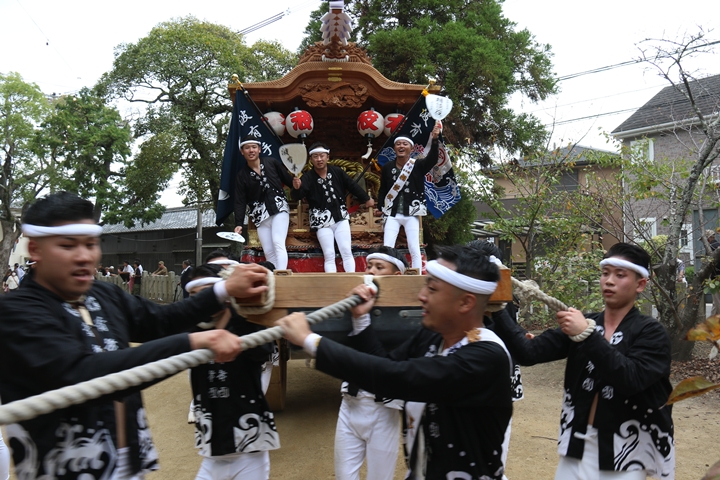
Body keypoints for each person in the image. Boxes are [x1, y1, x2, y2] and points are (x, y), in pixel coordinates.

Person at [0, 191, 270, 480]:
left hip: (129, 464)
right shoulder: (16, 312)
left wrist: (224, 289)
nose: (84, 256)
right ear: (35, 249)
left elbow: (162, 320)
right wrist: (190, 343)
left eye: (91, 244)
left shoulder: (103, 295)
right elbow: (82, 373)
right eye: (67, 245)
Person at [278, 244, 514, 479]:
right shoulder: (432, 338)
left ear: (465, 303)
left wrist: (311, 341)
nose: (422, 296)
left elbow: (394, 376)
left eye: (432, 289)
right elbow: (384, 363)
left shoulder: (485, 357)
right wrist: (361, 317)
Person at [490, 243, 675, 480]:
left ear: (640, 284)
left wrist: (586, 334)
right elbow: (528, 353)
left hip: (625, 453)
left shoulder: (651, 332)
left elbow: (631, 379)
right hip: (576, 444)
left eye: (620, 275)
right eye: (605, 273)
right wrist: (498, 309)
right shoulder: (586, 322)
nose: (609, 281)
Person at [185, 264, 280, 480]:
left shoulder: (246, 324)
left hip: (250, 452)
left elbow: (263, 350)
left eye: (206, 294)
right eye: (195, 297)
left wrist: (235, 314)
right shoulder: (193, 331)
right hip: (212, 453)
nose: (201, 302)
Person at [334, 246, 408, 480]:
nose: (371, 271)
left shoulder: (407, 317)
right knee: (344, 476)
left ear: (397, 276)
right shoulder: (351, 299)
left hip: (383, 410)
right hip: (350, 404)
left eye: (379, 267)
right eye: (369, 266)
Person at [291, 142, 374, 272]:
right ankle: (333, 282)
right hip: (321, 221)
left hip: (340, 218)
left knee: (346, 251)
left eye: (322, 156)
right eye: (315, 156)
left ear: (327, 157)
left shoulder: (337, 172)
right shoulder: (307, 177)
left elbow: (352, 185)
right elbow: (297, 196)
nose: (319, 159)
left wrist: (366, 198)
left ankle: (351, 279)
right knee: (329, 255)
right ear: (311, 159)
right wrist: (296, 188)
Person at [378, 124, 441, 270]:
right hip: (392, 213)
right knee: (387, 247)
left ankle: (417, 276)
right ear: (394, 148)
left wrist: (435, 139)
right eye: (398, 144)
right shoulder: (387, 167)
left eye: (405, 144)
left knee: (414, 247)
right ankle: (386, 274)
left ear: (411, 149)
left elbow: (432, 159)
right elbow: (383, 189)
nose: (401, 146)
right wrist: (380, 207)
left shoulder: (418, 165)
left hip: (412, 213)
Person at [234, 135, 294, 270]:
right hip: (260, 216)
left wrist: (297, 186)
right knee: (268, 251)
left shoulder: (272, 163)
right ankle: (273, 276)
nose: (251, 150)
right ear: (242, 151)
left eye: (254, 147)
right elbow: (240, 201)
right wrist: (238, 223)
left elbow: (289, 181)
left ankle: (281, 275)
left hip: (279, 208)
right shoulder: (241, 175)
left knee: (278, 242)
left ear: (259, 149)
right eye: (247, 148)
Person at [707, 230, 720, 315]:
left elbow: (708, 265)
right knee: (715, 303)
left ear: (708, 238)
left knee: (717, 301)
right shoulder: (719, 245)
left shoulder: (710, 248)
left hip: (714, 277)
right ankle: (711, 320)